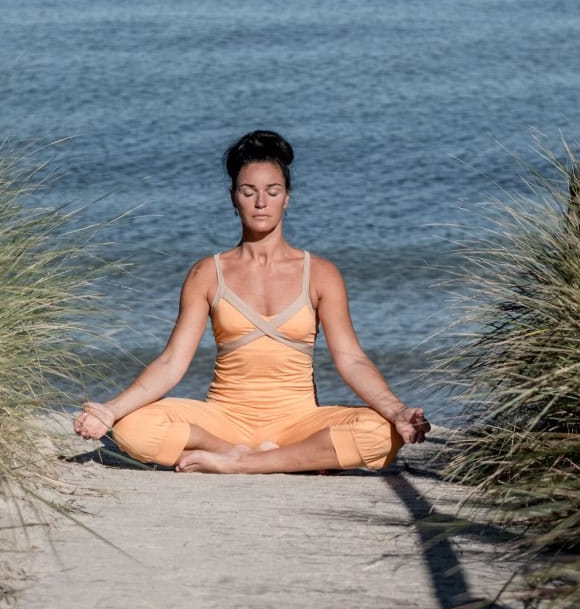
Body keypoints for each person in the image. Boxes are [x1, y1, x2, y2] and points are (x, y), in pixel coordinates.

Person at [72, 130, 430, 473]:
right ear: (233, 197)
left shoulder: (321, 274)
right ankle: (273, 458)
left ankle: (240, 463)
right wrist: (110, 409)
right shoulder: (207, 274)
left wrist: (397, 411)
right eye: (249, 191)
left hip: (299, 420)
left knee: (381, 432)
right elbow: (171, 363)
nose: (261, 203)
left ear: (287, 197)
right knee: (133, 427)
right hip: (224, 420)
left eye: (272, 192)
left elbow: (351, 360)